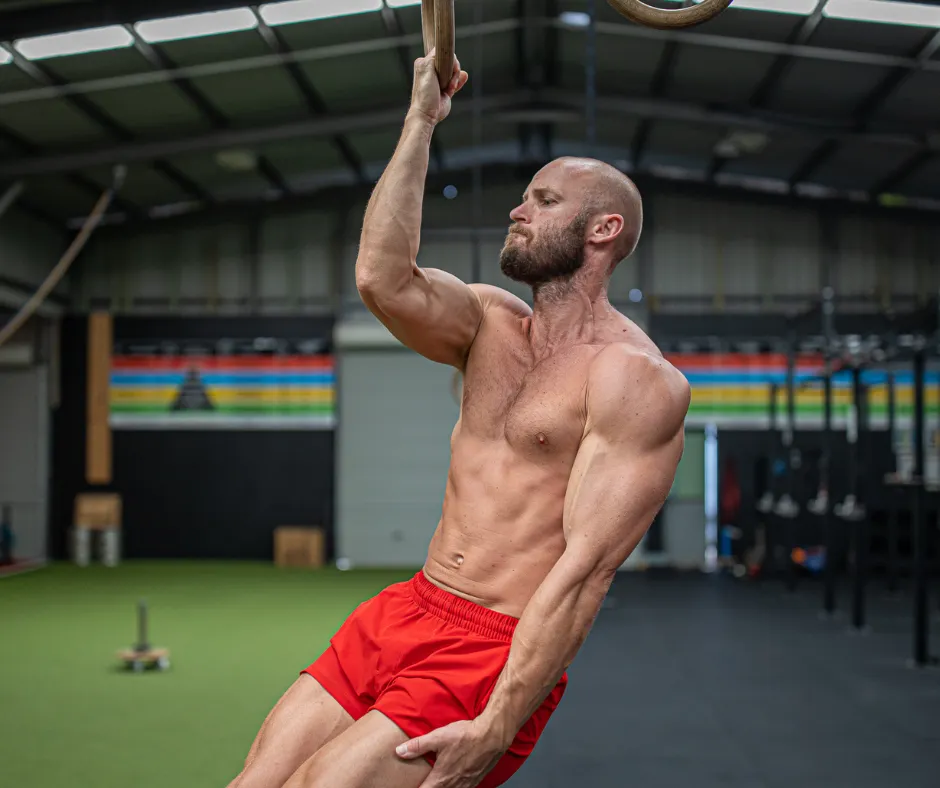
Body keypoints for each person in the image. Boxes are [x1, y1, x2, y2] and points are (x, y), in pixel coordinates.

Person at [228, 50, 690, 788]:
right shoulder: (487, 322)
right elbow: (381, 277)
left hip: (493, 646)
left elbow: (584, 573)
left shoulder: (634, 380)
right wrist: (422, 119)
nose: (517, 210)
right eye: (524, 198)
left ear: (603, 230)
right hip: (410, 605)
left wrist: (500, 720)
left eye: (543, 201)